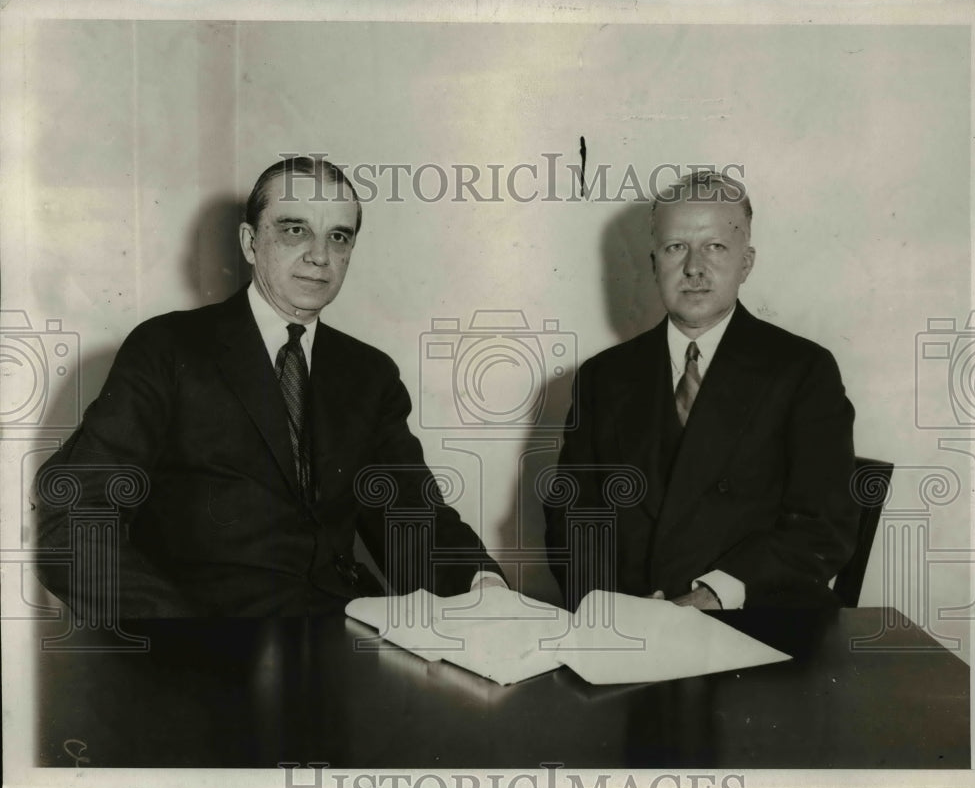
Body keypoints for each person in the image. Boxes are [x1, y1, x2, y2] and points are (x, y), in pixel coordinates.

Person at [34, 156, 504, 618]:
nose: (320, 256)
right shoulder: (168, 348)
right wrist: (180, 635)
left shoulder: (369, 373)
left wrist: (485, 587)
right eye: (295, 230)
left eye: (338, 237)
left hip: (341, 638)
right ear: (249, 241)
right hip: (205, 649)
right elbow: (72, 524)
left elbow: (410, 520)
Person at [545, 171, 859, 610]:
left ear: (745, 263)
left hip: (751, 627)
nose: (694, 266)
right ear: (654, 264)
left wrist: (710, 595)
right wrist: (610, 606)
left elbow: (824, 527)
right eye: (676, 247)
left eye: (715, 247)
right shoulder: (603, 376)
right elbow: (572, 517)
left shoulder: (803, 370)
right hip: (628, 626)